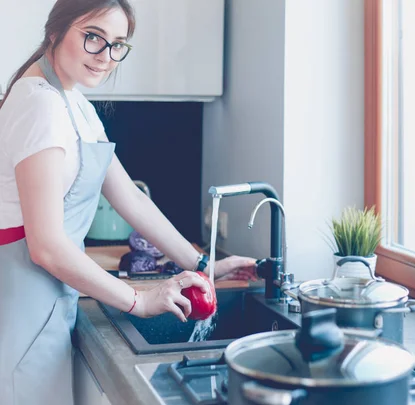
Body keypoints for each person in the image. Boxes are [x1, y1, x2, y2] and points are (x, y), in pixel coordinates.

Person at [0, 1, 257, 403]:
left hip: (49, 300)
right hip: (22, 307)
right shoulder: (40, 106)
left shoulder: (74, 104)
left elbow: (130, 198)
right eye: (93, 38)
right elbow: (46, 246)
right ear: (55, 32)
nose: (106, 57)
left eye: (117, 44)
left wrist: (204, 265)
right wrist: (138, 300)